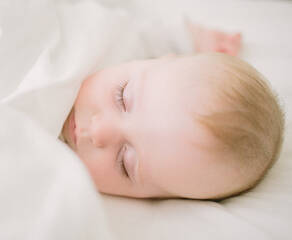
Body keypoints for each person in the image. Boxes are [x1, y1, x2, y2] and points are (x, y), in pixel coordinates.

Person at [60, 21, 284, 200]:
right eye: (122, 98)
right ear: (154, 60)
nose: (99, 131)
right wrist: (190, 38)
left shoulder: (58, 184)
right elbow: (141, 38)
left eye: (125, 164)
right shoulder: (102, 47)